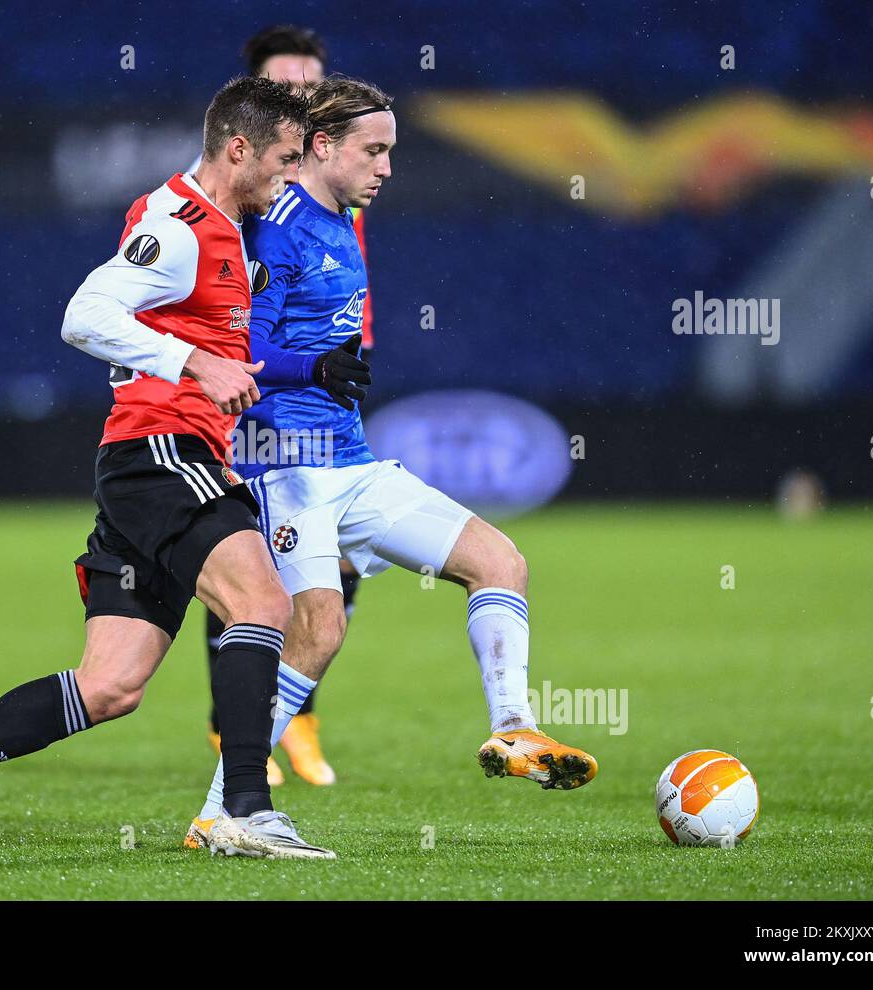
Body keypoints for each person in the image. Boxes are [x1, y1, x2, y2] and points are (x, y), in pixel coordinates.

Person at [0, 76, 333, 860]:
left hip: (152, 462)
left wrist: (290, 370)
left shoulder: (227, 231)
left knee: (109, 687)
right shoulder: (182, 225)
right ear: (237, 148)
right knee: (263, 602)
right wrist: (196, 364)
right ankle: (244, 809)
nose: (287, 175)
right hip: (162, 452)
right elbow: (83, 316)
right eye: (281, 158)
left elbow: (212, 348)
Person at [190, 76, 598, 857]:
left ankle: (513, 732)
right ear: (321, 146)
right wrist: (310, 368)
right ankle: (222, 809)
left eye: (391, 152)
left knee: (499, 561)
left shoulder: (342, 219)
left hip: (351, 459)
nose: (386, 168)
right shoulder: (276, 229)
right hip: (284, 464)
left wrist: (323, 373)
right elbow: (236, 352)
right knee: (318, 627)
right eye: (373, 151)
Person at [201, 24, 375, 790]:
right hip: (254, 387)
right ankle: (233, 726)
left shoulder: (339, 174)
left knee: (336, 564)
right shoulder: (244, 183)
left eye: (313, 80)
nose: (303, 93)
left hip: (324, 384)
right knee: (247, 566)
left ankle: (294, 715)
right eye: (287, 83)